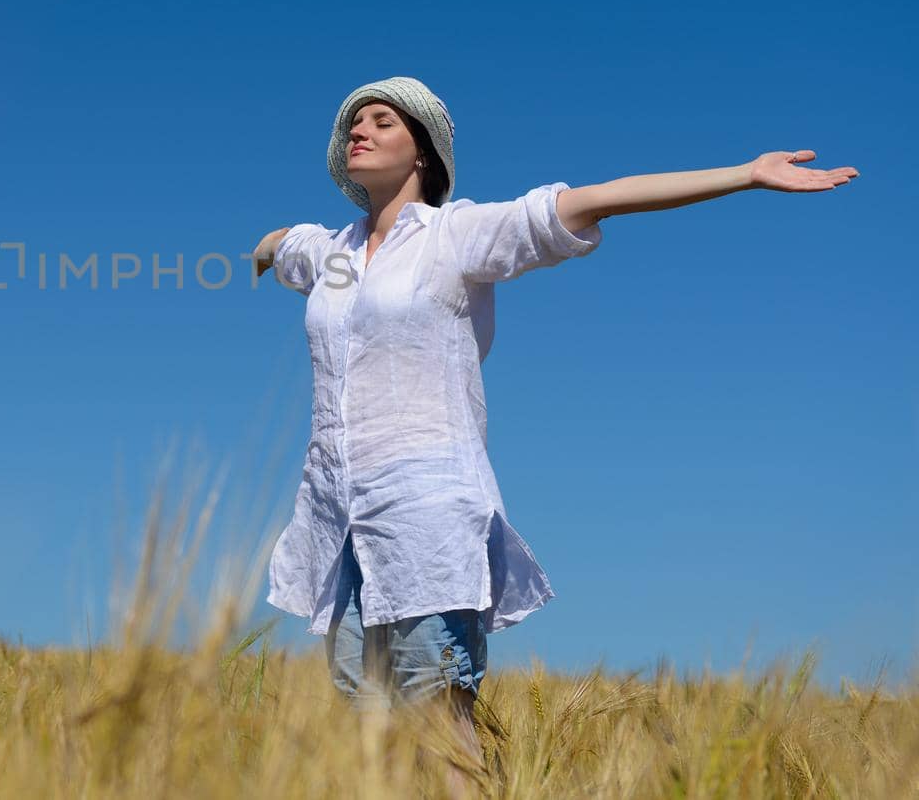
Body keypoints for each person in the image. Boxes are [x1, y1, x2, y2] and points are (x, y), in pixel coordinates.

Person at [252, 77, 859, 786]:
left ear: (422, 153)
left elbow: (598, 198)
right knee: (366, 725)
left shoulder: (459, 235)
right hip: (337, 523)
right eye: (353, 123)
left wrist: (747, 175)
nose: (358, 130)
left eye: (381, 121)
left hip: (423, 514)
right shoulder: (328, 252)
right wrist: (262, 253)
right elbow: (276, 245)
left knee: (436, 715)